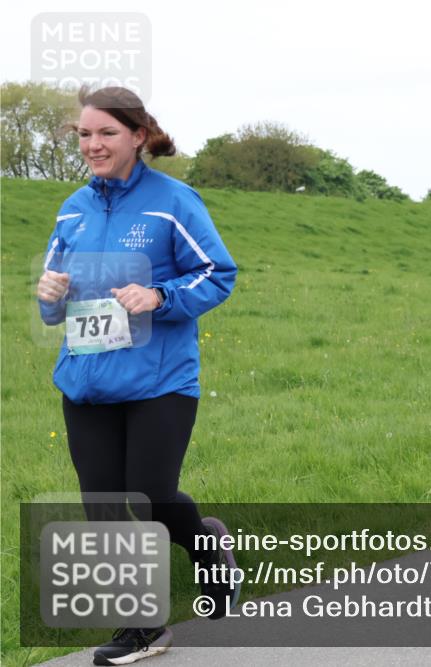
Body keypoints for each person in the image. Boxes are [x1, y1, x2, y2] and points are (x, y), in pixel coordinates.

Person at [36, 86, 239, 665]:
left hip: (160, 382)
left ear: (138, 136)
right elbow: (56, 301)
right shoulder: (71, 209)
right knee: (101, 503)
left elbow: (217, 274)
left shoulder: (173, 202)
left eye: (106, 133)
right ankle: (143, 628)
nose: (92, 144)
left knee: (150, 495)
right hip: (87, 379)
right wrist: (49, 297)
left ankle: (208, 548)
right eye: (83, 133)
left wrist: (159, 295)